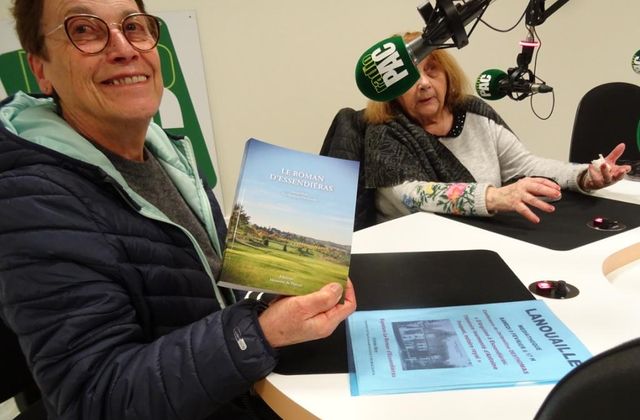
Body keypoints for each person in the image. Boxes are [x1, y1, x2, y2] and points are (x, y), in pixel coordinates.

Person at [0, 0, 356, 419]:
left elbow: (199, 297)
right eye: (85, 30)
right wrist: (258, 332)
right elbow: (94, 399)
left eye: (134, 26)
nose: (123, 48)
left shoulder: (166, 155)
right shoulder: (33, 203)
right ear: (40, 68)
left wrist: (268, 292)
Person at [322, 31, 631, 229]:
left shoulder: (473, 111)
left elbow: (526, 167)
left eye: (431, 70)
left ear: (446, 74)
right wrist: (494, 197)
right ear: (393, 90)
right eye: (410, 78)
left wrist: (583, 176)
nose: (424, 83)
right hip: (414, 254)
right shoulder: (384, 128)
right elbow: (409, 196)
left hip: (487, 240)